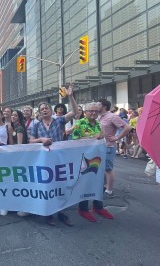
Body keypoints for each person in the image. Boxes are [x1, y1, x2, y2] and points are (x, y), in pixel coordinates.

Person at [30, 84, 78, 226]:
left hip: (59, 159)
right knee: (47, 186)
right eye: (42, 109)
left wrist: (70, 96)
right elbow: (31, 140)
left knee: (61, 185)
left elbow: (75, 112)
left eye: (46, 108)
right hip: (44, 161)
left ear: (51, 111)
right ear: (39, 113)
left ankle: (62, 213)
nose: (44, 110)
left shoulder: (59, 120)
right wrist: (41, 140)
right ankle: (48, 213)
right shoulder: (37, 125)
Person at [71, 102, 113, 222]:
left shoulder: (98, 123)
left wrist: (102, 137)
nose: (94, 113)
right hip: (84, 159)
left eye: (96, 111)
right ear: (85, 112)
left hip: (98, 158)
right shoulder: (80, 124)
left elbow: (100, 138)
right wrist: (93, 138)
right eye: (91, 111)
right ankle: (83, 209)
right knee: (85, 183)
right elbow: (74, 140)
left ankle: (98, 206)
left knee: (99, 182)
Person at [98, 98, 131, 197]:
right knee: (101, 168)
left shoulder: (112, 117)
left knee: (108, 169)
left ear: (104, 106)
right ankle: (103, 186)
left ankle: (109, 189)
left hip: (108, 146)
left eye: (98, 104)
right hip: (99, 146)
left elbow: (127, 127)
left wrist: (117, 137)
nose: (96, 106)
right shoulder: (99, 116)